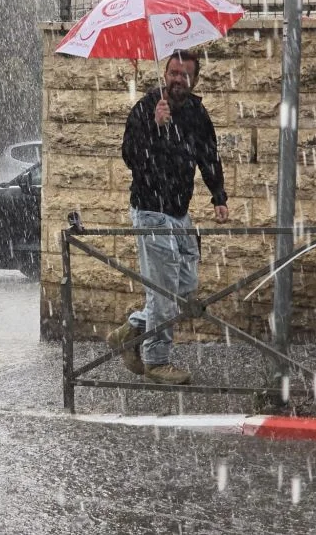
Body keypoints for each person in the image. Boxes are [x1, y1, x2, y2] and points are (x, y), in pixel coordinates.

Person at [108, 49, 229, 385]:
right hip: (151, 211)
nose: (177, 80)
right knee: (163, 292)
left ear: (194, 79)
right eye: (173, 73)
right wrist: (154, 126)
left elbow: (209, 155)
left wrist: (218, 197)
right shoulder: (147, 108)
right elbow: (131, 157)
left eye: (184, 75)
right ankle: (157, 361)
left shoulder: (195, 111)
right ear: (165, 73)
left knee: (185, 288)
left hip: (179, 212)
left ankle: (132, 328)